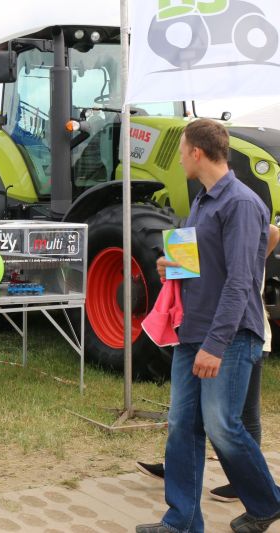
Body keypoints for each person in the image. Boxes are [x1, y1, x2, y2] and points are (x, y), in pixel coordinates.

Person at [136, 119, 280, 533]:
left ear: (197, 153)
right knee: (183, 426)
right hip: (192, 331)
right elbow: (204, 265)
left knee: (222, 426)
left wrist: (215, 345)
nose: (180, 157)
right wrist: (172, 267)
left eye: (182, 150)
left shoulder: (242, 203)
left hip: (230, 337)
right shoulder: (202, 202)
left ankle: (268, 502)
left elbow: (240, 281)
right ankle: (181, 521)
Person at [136, 224, 280, 503]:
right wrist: (176, 266)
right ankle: (177, 470)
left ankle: (256, 490)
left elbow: (272, 232)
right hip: (210, 333)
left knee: (234, 420)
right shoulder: (218, 234)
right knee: (193, 416)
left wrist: (253, 254)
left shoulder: (244, 226)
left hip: (245, 336)